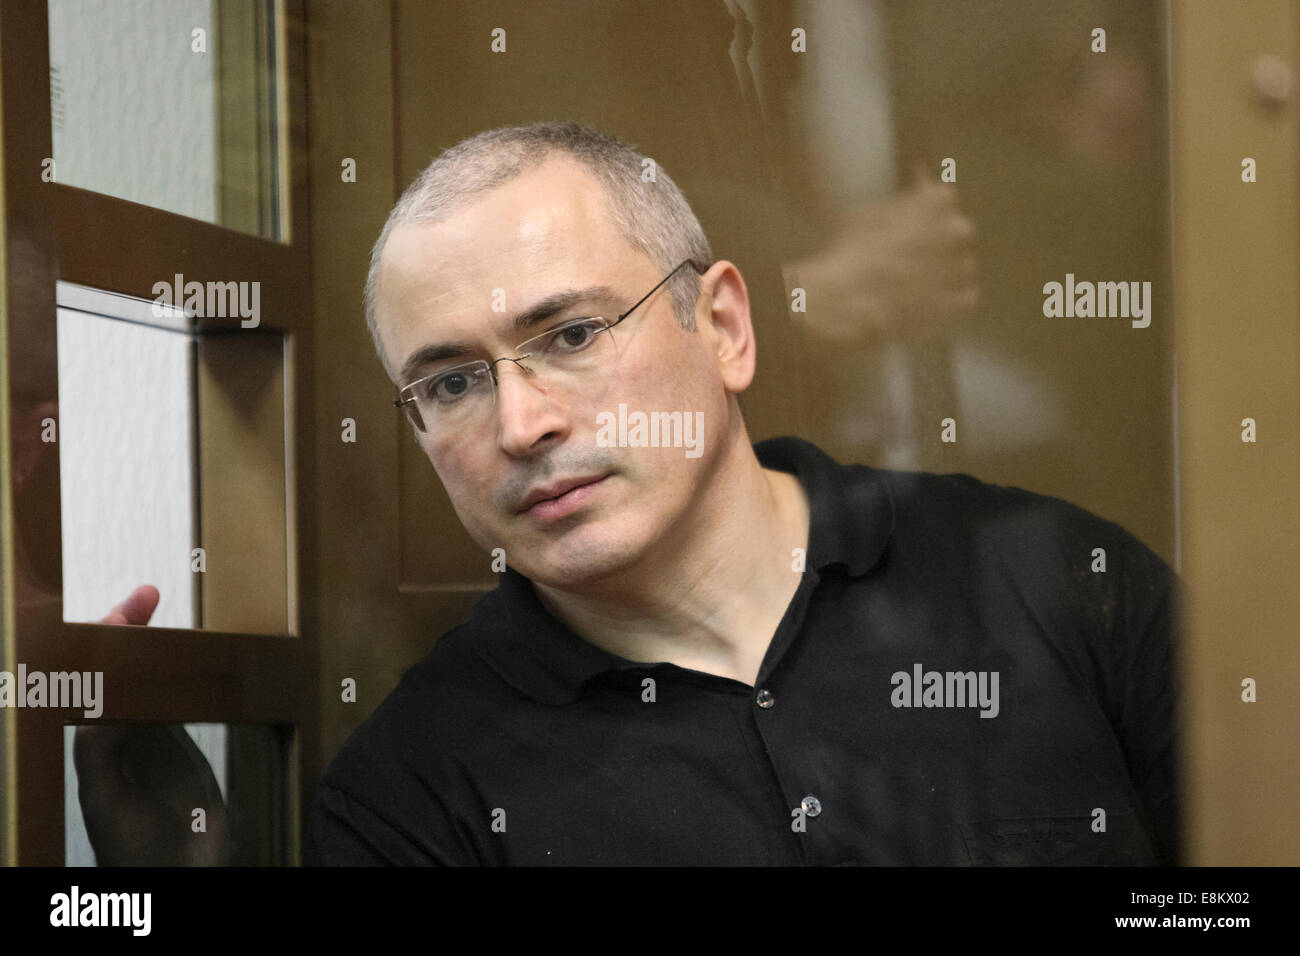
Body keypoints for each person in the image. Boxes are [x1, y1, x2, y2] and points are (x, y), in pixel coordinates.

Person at [304, 120, 1179, 865]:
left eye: (572, 335)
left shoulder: (1055, 582)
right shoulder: (408, 801)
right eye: (453, 385)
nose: (521, 425)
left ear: (722, 327)